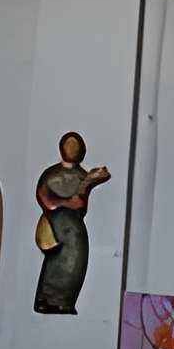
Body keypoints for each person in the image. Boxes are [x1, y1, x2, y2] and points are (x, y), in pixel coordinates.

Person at [33, 131, 110, 313]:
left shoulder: (81, 175)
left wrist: (87, 185)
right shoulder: (51, 174)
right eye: (69, 145)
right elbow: (43, 196)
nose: (72, 149)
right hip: (56, 222)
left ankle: (64, 300)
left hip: (74, 226)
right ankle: (47, 299)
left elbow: (81, 203)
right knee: (57, 259)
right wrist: (64, 203)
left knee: (76, 259)